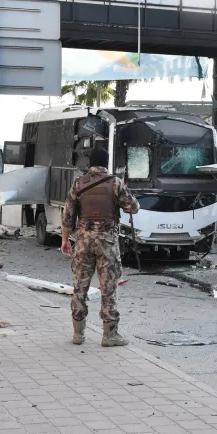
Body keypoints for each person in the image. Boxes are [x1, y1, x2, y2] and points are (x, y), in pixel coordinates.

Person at [61, 147, 139, 347]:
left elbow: (67, 216)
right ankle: (109, 335)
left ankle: (78, 334)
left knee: (80, 287)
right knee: (108, 288)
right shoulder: (115, 183)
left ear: (90, 164)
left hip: (83, 243)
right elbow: (133, 207)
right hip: (107, 243)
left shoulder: (78, 184)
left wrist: (64, 240)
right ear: (106, 162)